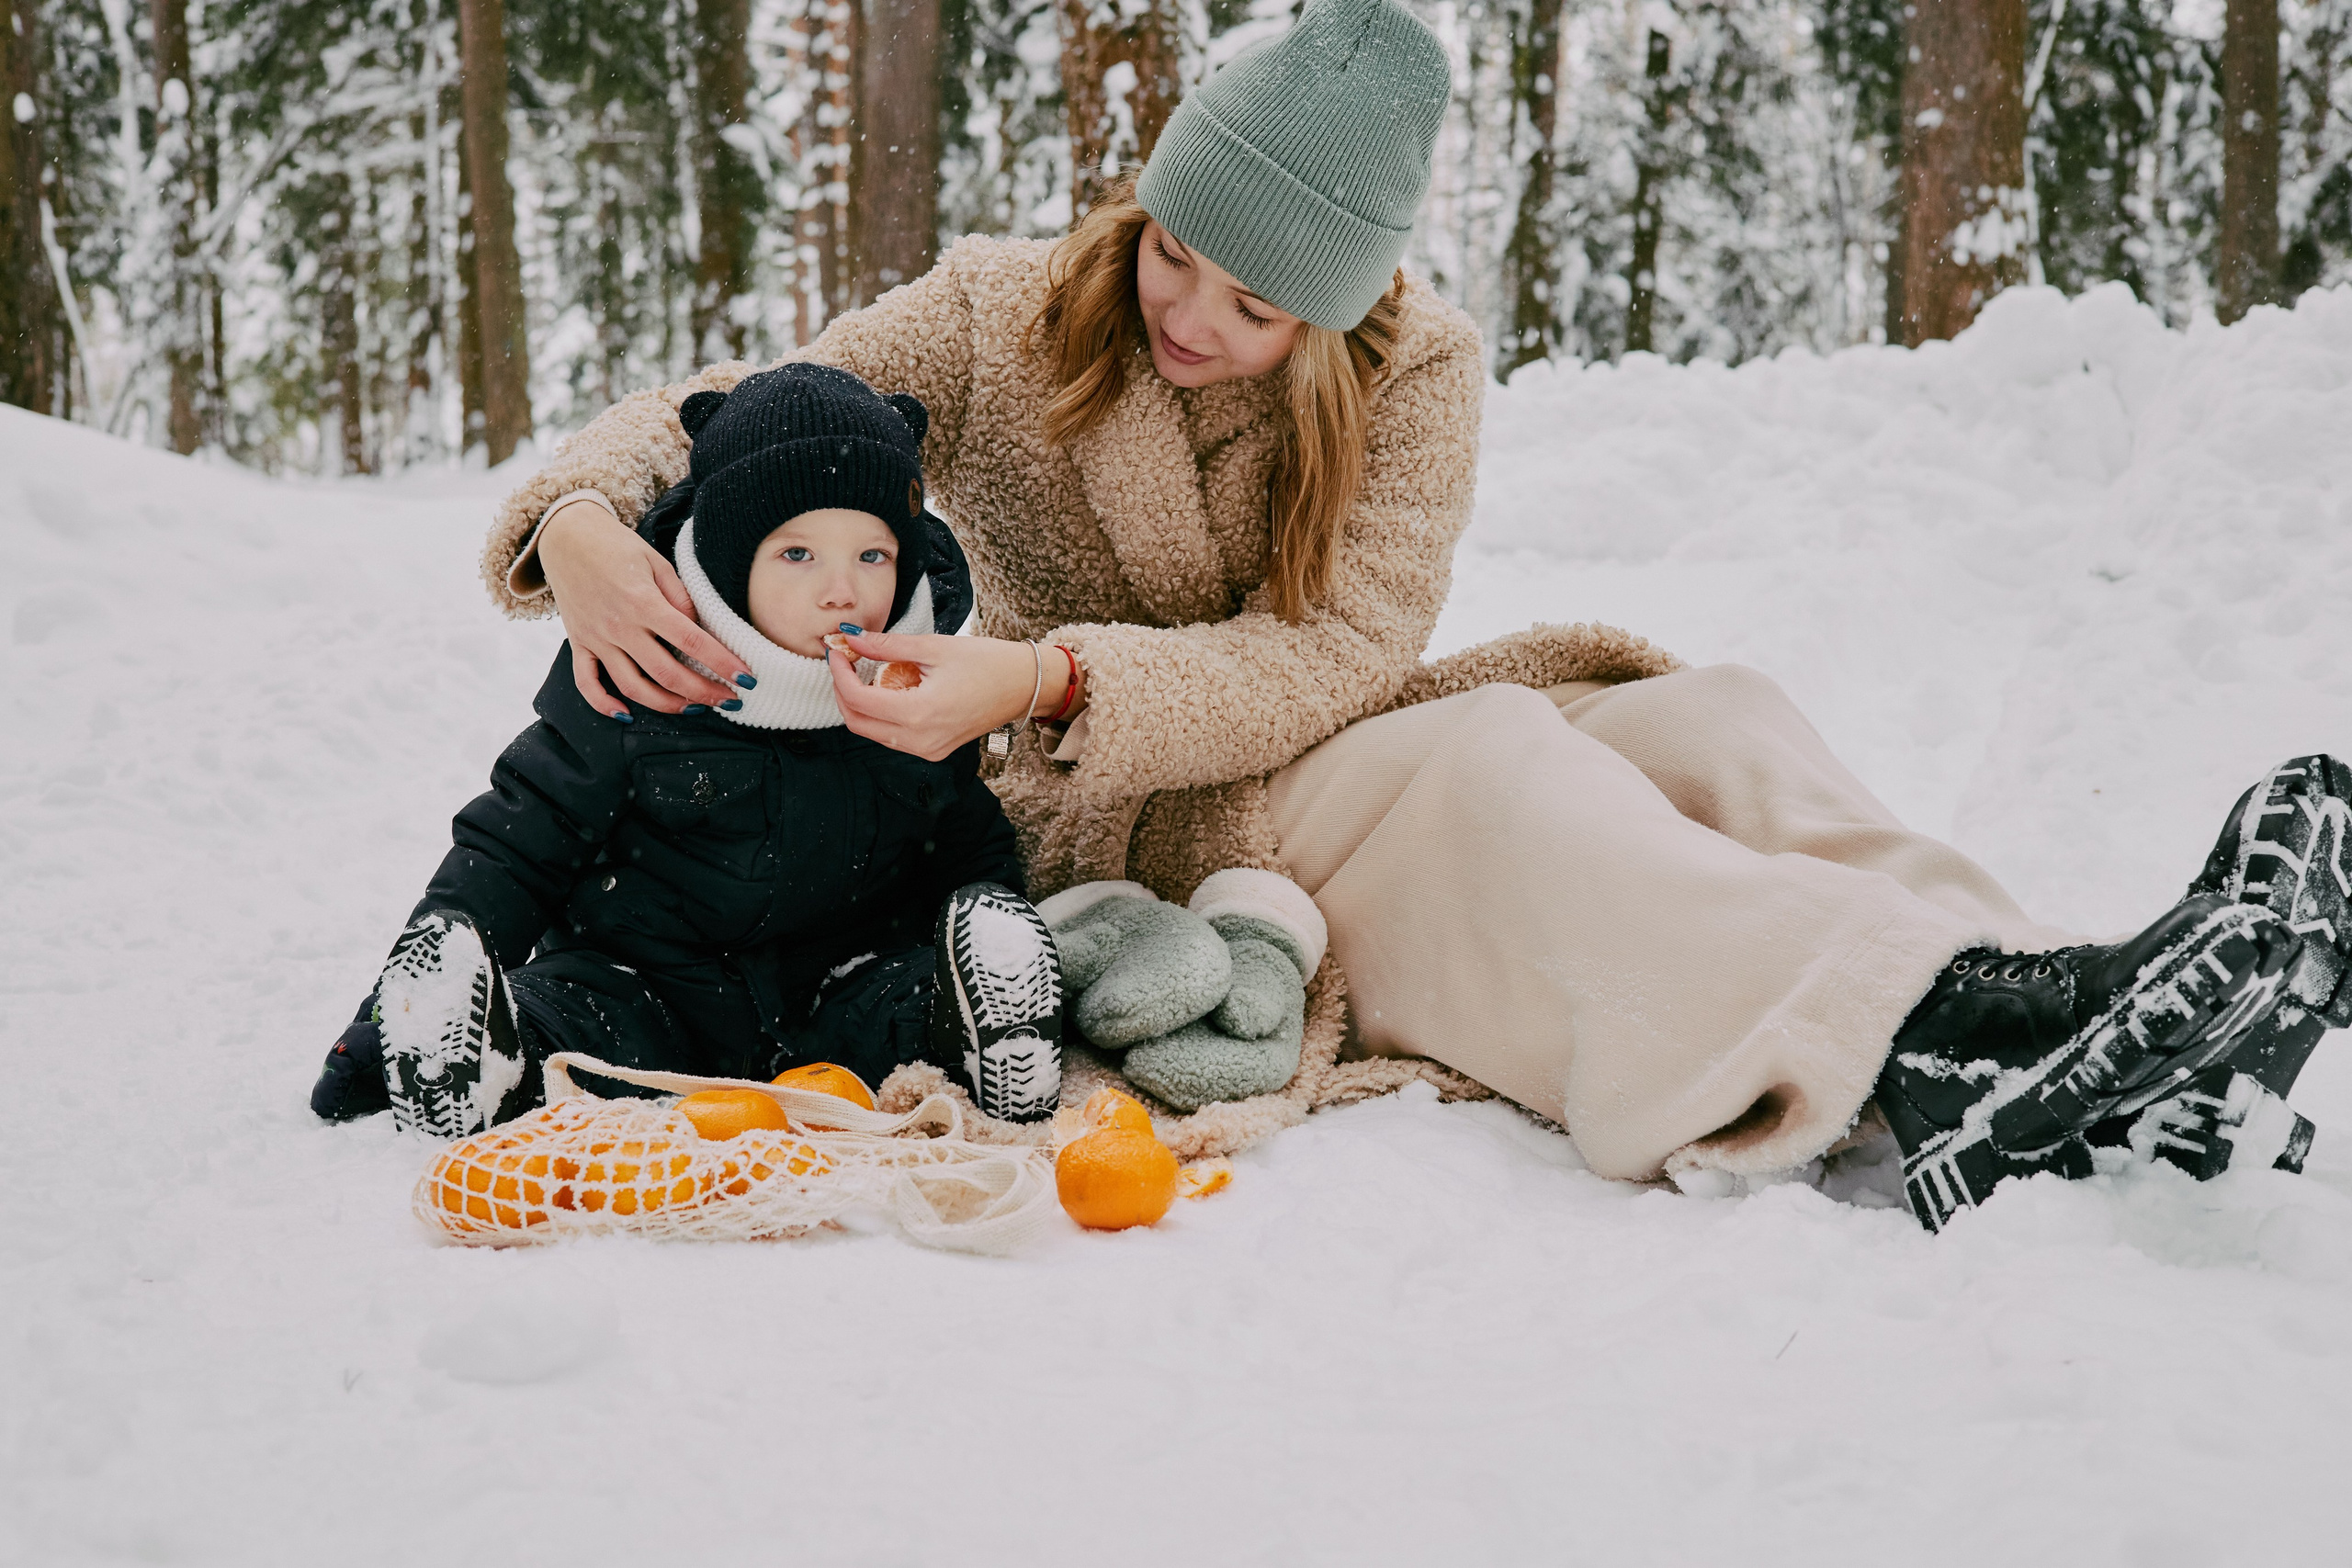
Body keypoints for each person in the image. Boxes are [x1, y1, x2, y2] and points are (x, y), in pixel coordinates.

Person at [467, 0, 2346, 1227]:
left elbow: (1339, 653)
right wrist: (587, 520)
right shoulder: (995, 312)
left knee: (1709, 717)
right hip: (1095, 796)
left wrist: (1045, 664)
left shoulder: (1417, 371)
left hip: (1248, 718)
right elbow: (745, 419)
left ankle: (2057, 996)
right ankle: (1925, 1041)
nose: (1190, 315)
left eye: (1252, 303)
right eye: (1173, 254)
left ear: (1346, 307)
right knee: (1492, 773)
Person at [311, 365, 1068, 1135]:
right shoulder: (644, 671)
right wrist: (375, 1030)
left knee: (909, 996)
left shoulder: (916, 693)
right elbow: (514, 847)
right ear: (734, 560)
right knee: (567, 1018)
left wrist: (989, 918)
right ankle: (467, 1058)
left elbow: (964, 848)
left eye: (872, 556)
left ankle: (986, 1032)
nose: (842, 590)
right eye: (797, 554)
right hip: (648, 987)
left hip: (841, 993)